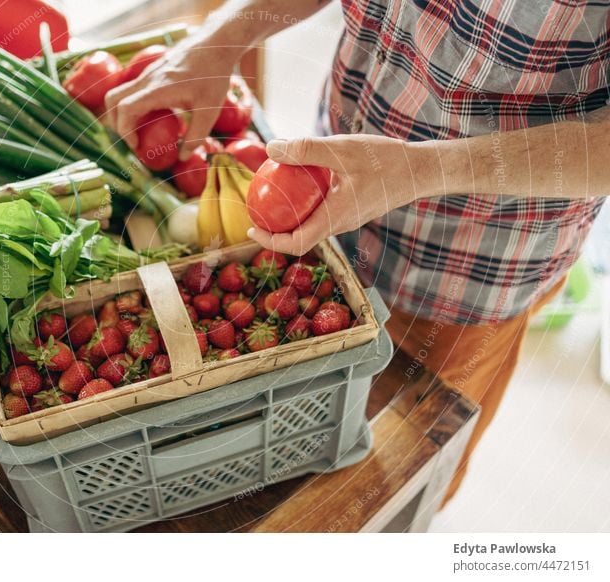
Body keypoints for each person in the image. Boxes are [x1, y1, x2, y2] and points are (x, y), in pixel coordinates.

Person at [105, 0, 610, 507]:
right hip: (328, 187)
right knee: (303, 448)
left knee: (401, 474)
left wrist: (428, 169)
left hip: (471, 265)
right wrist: (221, 38)